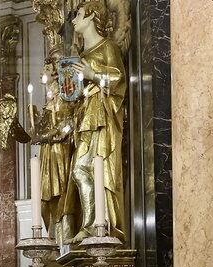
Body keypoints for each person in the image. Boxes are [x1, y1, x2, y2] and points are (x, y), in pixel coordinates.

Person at [60, 0, 127, 241]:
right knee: (79, 170)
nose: (74, 20)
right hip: (86, 114)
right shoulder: (82, 54)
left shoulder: (107, 47)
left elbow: (119, 80)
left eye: (78, 14)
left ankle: (99, 225)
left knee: (87, 168)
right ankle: (90, 224)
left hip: (102, 115)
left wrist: (92, 75)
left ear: (91, 17)